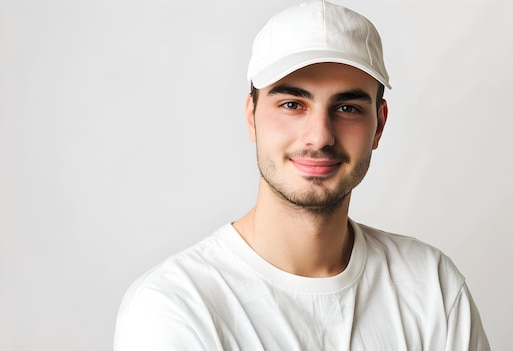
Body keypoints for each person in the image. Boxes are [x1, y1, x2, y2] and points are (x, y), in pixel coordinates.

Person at [114, 1, 490, 350]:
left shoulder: (430, 287)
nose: (320, 136)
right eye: (292, 104)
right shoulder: (176, 306)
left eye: (346, 107)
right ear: (252, 116)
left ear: (379, 126)